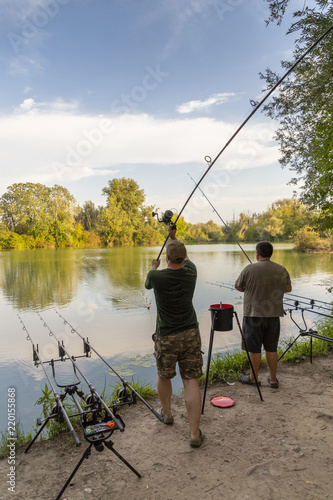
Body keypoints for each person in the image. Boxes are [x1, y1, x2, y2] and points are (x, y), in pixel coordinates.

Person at [145, 225, 204, 447]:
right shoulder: (191, 272)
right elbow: (185, 257)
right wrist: (174, 238)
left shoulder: (156, 276)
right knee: (190, 380)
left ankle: (167, 415)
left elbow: (147, 282)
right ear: (182, 257)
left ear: (167, 257)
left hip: (166, 336)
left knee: (164, 375)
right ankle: (194, 435)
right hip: (190, 332)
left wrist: (153, 266)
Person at [234, 241, 292, 388]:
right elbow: (288, 288)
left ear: (257, 253)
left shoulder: (249, 269)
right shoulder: (281, 269)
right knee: (271, 348)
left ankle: (253, 378)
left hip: (253, 315)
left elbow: (238, 286)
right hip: (273, 316)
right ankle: (273, 380)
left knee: (254, 348)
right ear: (270, 253)